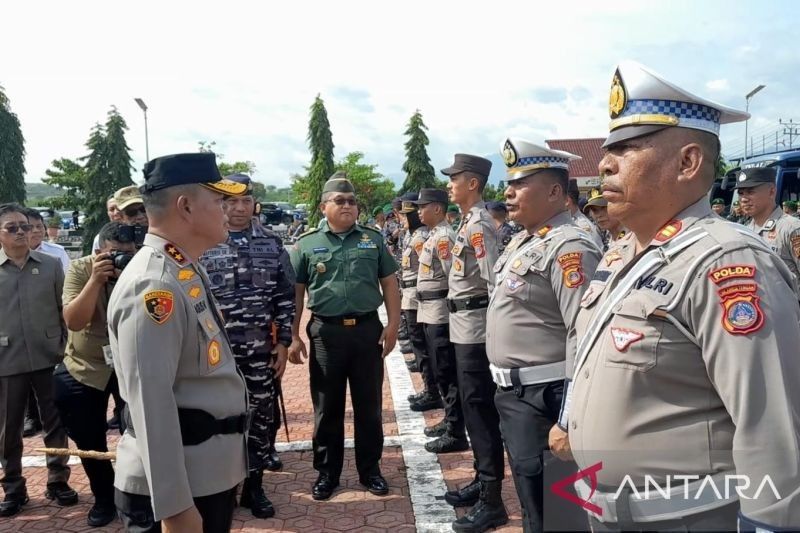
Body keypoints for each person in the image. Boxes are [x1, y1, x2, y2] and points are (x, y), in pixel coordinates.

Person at [551, 61, 800, 531]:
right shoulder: (624, 254)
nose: (605, 163)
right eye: (609, 149)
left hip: (688, 520)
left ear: (687, 163)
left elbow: (773, 428)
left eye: (626, 149)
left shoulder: (725, 261)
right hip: (605, 512)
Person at [107, 153, 250, 533]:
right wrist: (174, 507)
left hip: (204, 475)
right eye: (219, 200)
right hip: (179, 492)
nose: (229, 209)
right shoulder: (154, 284)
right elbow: (150, 403)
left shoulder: (183, 267)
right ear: (185, 206)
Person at [489, 139, 601, 533]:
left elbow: (583, 334)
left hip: (547, 395)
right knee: (532, 499)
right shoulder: (526, 239)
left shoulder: (570, 246)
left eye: (520, 184)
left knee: (557, 508)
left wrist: (568, 418)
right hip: (517, 395)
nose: (508, 192)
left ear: (555, 191)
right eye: (509, 184)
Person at [288, 172, 400, 501]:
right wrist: (294, 335)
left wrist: (392, 325)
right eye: (340, 201)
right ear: (324, 207)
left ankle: (371, 470)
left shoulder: (373, 239)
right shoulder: (307, 243)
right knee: (327, 408)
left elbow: (390, 283)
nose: (348, 206)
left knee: (369, 406)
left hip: (367, 331)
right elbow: (297, 292)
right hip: (326, 334)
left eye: (352, 201)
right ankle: (327, 474)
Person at [198, 174, 295, 518]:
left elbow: (285, 297)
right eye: (230, 201)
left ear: (254, 204)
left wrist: (284, 342)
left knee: (258, 419)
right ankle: (220, 489)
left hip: (258, 351)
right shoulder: (201, 243)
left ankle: (254, 489)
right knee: (215, 420)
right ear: (219, 203)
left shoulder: (272, 243)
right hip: (212, 353)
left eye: (245, 200)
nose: (238, 208)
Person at [53, 221, 136, 527]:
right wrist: (96, 281)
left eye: (128, 253)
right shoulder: (80, 269)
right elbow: (74, 321)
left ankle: (135, 493)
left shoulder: (142, 270)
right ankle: (103, 497)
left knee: (138, 433)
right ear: (100, 251)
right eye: (115, 254)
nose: (122, 260)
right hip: (86, 367)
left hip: (130, 366)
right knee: (90, 439)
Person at [442, 153, 507, 532]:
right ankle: (482, 480)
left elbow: (494, 283)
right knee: (471, 407)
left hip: (476, 330)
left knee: (479, 410)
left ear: (473, 183)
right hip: (462, 325)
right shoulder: (468, 221)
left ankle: (492, 499)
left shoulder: (480, 224)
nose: (450, 184)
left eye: (455, 178)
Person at [0, 203, 77, 517]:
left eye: (25, 226)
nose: (21, 232)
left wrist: (65, 347)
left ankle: (58, 480)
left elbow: (64, 312)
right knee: (8, 428)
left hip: (50, 356)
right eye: (12, 228)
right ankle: (14, 488)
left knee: (55, 422)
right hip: (7, 358)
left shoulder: (49, 265)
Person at [413, 188, 468, 454]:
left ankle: (456, 429)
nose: (419, 212)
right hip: (427, 309)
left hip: (439, 311)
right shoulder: (434, 235)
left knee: (446, 370)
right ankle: (449, 420)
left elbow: (452, 277)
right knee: (439, 369)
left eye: (423, 207)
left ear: (437, 209)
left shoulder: (445, 236)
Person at [21, 208, 71, 440]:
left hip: (50, 325)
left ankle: (56, 423)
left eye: (39, 227)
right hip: (18, 333)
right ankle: (32, 417)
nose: (35, 232)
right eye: (29, 228)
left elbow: (67, 286)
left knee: (51, 382)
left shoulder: (56, 254)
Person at [397, 193, 440, 412]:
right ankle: (428, 387)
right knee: (418, 345)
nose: (402, 219)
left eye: (406, 215)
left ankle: (432, 390)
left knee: (422, 346)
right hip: (410, 295)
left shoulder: (422, 237)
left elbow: (428, 269)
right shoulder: (413, 235)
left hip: (417, 297)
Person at [735, 167, 800, 282]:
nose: (744, 199)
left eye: (750, 192)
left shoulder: (791, 228)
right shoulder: (745, 231)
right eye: (741, 193)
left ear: (771, 191)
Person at [566, 179, 605, 251]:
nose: (599, 215)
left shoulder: (583, 227)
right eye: (595, 210)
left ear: (567, 201)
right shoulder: (569, 222)